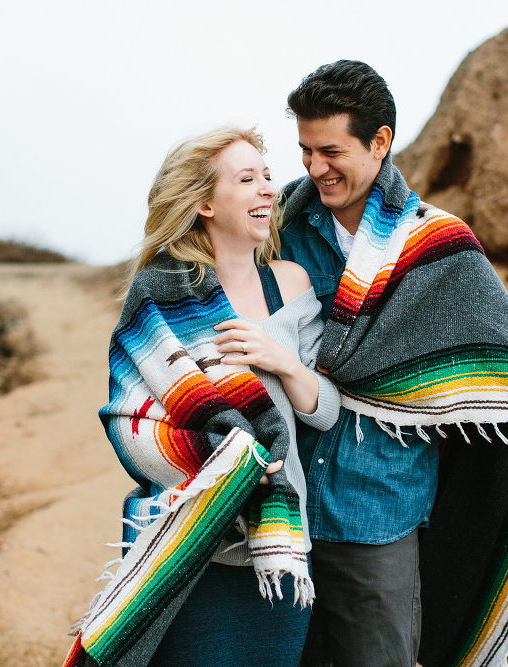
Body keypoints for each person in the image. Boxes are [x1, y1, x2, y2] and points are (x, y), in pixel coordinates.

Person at [278, 61, 508, 667]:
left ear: (380, 142)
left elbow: (500, 363)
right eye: (304, 151)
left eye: (331, 151)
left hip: (374, 509)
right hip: (281, 504)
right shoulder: (280, 227)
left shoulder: (436, 244)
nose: (314, 168)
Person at [65, 126, 339, 667]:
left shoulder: (291, 284)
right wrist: (230, 471)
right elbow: (131, 419)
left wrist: (279, 358)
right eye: (246, 179)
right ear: (206, 203)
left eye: (266, 176)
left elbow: (325, 411)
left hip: (279, 548)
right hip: (190, 546)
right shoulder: (161, 296)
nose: (267, 188)